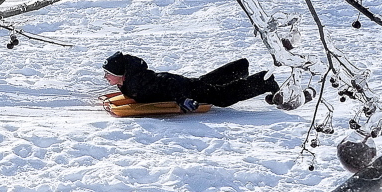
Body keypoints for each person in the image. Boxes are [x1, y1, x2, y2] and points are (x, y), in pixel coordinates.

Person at [102, 51, 280, 112]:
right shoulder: (128, 80)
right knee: (204, 82)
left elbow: (166, 85)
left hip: (183, 89)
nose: (105, 77)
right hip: (182, 84)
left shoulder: (138, 82)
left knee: (222, 97)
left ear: (120, 74)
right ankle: (239, 67)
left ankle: (265, 81)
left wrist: (182, 100)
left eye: (108, 74)